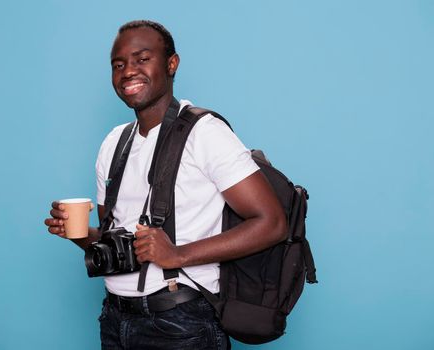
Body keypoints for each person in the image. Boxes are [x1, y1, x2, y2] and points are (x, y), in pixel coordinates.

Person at [44, 20, 287, 350]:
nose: (128, 71)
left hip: (181, 323)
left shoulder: (204, 132)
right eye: (118, 64)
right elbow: (115, 239)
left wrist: (177, 254)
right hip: (115, 321)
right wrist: (79, 234)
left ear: (171, 64)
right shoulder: (113, 143)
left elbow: (271, 223)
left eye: (142, 59)